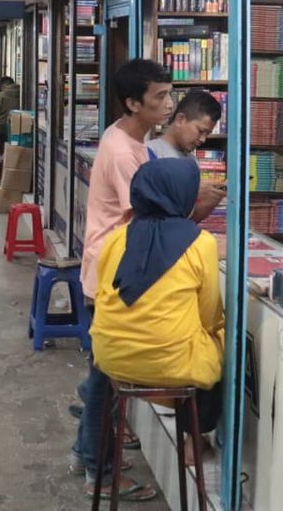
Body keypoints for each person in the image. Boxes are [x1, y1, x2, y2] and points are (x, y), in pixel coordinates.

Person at [71, 59, 172, 501]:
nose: (168, 105)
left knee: (102, 374)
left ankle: (87, 453)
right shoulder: (123, 152)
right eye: (160, 98)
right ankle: (99, 468)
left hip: (110, 270)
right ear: (133, 103)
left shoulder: (128, 138)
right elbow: (147, 217)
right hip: (112, 275)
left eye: (169, 95)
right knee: (106, 378)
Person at [92, 158, 224, 462]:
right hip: (171, 367)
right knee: (222, 336)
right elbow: (210, 316)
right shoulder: (201, 244)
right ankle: (196, 438)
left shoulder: (116, 238)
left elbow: (103, 296)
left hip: (111, 360)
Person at [147, 89, 227, 220]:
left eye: (207, 134)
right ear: (180, 119)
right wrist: (190, 191)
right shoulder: (149, 152)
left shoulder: (192, 162)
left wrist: (212, 199)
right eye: (201, 131)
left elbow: (188, 220)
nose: (203, 139)